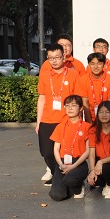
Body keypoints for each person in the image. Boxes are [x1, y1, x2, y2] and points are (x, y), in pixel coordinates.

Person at [37, 44, 81, 186]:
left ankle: (63, 178)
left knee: (65, 152)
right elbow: (42, 98)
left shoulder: (73, 74)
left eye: (57, 57)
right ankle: (57, 173)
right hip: (47, 120)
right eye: (51, 58)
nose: (54, 61)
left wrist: (78, 120)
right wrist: (38, 122)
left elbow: (77, 99)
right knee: (46, 153)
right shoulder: (44, 75)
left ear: (64, 57)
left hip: (65, 120)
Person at [49, 95, 91, 201]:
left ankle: (78, 187)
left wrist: (73, 166)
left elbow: (88, 150)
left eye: (73, 105)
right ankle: (69, 185)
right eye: (67, 105)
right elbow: (56, 149)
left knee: (71, 179)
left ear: (81, 108)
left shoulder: (87, 127)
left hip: (78, 162)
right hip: (63, 163)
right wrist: (61, 164)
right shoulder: (60, 126)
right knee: (57, 196)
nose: (70, 108)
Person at [79, 52, 110, 123]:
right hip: (90, 117)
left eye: (99, 63)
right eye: (92, 64)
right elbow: (85, 103)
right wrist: (89, 123)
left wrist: (105, 122)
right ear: (89, 65)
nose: (96, 66)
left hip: (107, 117)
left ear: (104, 64)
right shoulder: (83, 79)